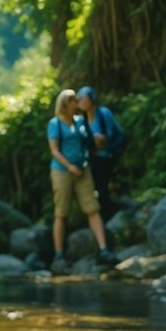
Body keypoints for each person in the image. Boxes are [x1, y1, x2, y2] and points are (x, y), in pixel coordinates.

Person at [47, 89, 118, 272]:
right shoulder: (55, 124)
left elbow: (89, 140)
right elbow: (54, 150)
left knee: (92, 208)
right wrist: (70, 166)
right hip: (62, 171)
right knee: (61, 212)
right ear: (65, 104)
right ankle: (59, 253)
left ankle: (103, 249)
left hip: (83, 170)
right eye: (73, 100)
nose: (77, 102)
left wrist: (100, 141)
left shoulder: (80, 121)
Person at [78, 86, 124, 220]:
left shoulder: (103, 113)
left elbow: (107, 137)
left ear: (91, 98)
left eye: (82, 97)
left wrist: (97, 140)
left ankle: (111, 213)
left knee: (104, 185)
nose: (80, 100)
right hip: (95, 158)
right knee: (99, 186)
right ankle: (107, 213)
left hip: (109, 156)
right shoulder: (83, 119)